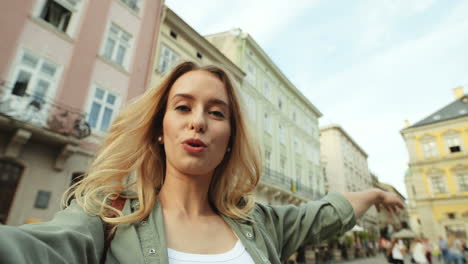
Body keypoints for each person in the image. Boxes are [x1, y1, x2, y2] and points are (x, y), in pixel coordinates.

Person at [0, 62, 405, 264]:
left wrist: (372, 193)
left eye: (216, 112)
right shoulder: (108, 215)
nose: (198, 120)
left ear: (230, 139)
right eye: (182, 107)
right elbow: (32, 249)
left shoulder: (258, 223)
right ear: (160, 127)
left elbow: (322, 214)